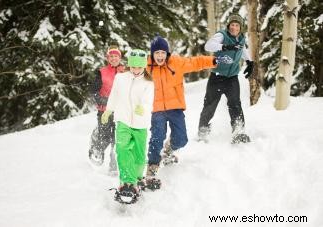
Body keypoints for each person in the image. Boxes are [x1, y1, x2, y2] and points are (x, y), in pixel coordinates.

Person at [145, 34, 229, 189]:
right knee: (157, 137)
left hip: (175, 107)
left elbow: (195, 62)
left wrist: (213, 61)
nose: (160, 56)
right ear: (152, 54)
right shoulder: (147, 67)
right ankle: (152, 165)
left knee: (182, 139)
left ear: (167, 53)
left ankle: (169, 150)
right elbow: (133, 72)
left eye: (162, 53)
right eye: (157, 53)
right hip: (157, 110)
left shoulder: (176, 63)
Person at [101, 49, 154, 204]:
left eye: (139, 67)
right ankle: (126, 182)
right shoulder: (121, 78)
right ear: (129, 65)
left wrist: (142, 107)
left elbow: (148, 101)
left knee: (138, 155)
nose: (136, 70)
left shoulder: (148, 82)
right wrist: (108, 110)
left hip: (140, 123)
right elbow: (114, 95)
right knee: (122, 148)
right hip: (123, 120)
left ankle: (137, 178)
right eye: (133, 67)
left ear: (144, 66)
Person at [197, 14, 254, 144]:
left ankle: (238, 131)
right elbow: (208, 46)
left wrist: (250, 62)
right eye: (232, 25)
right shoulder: (222, 35)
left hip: (232, 78)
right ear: (229, 26)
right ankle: (203, 132)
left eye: (237, 25)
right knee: (210, 106)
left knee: (235, 104)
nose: (234, 27)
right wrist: (224, 46)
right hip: (217, 77)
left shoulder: (241, 39)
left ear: (240, 27)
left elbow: (243, 49)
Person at [88, 45, 125, 174]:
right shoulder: (102, 72)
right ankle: (96, 147)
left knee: (117, 137)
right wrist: (100, 99)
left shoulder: (126, 71)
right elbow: (93, 90)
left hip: (121, 111)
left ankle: (113, 163)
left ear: (120, 57)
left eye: (116, 56)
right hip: (104, 110)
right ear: (107, 58)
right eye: (111, 56)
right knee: (105, 136)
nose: (114, 58)